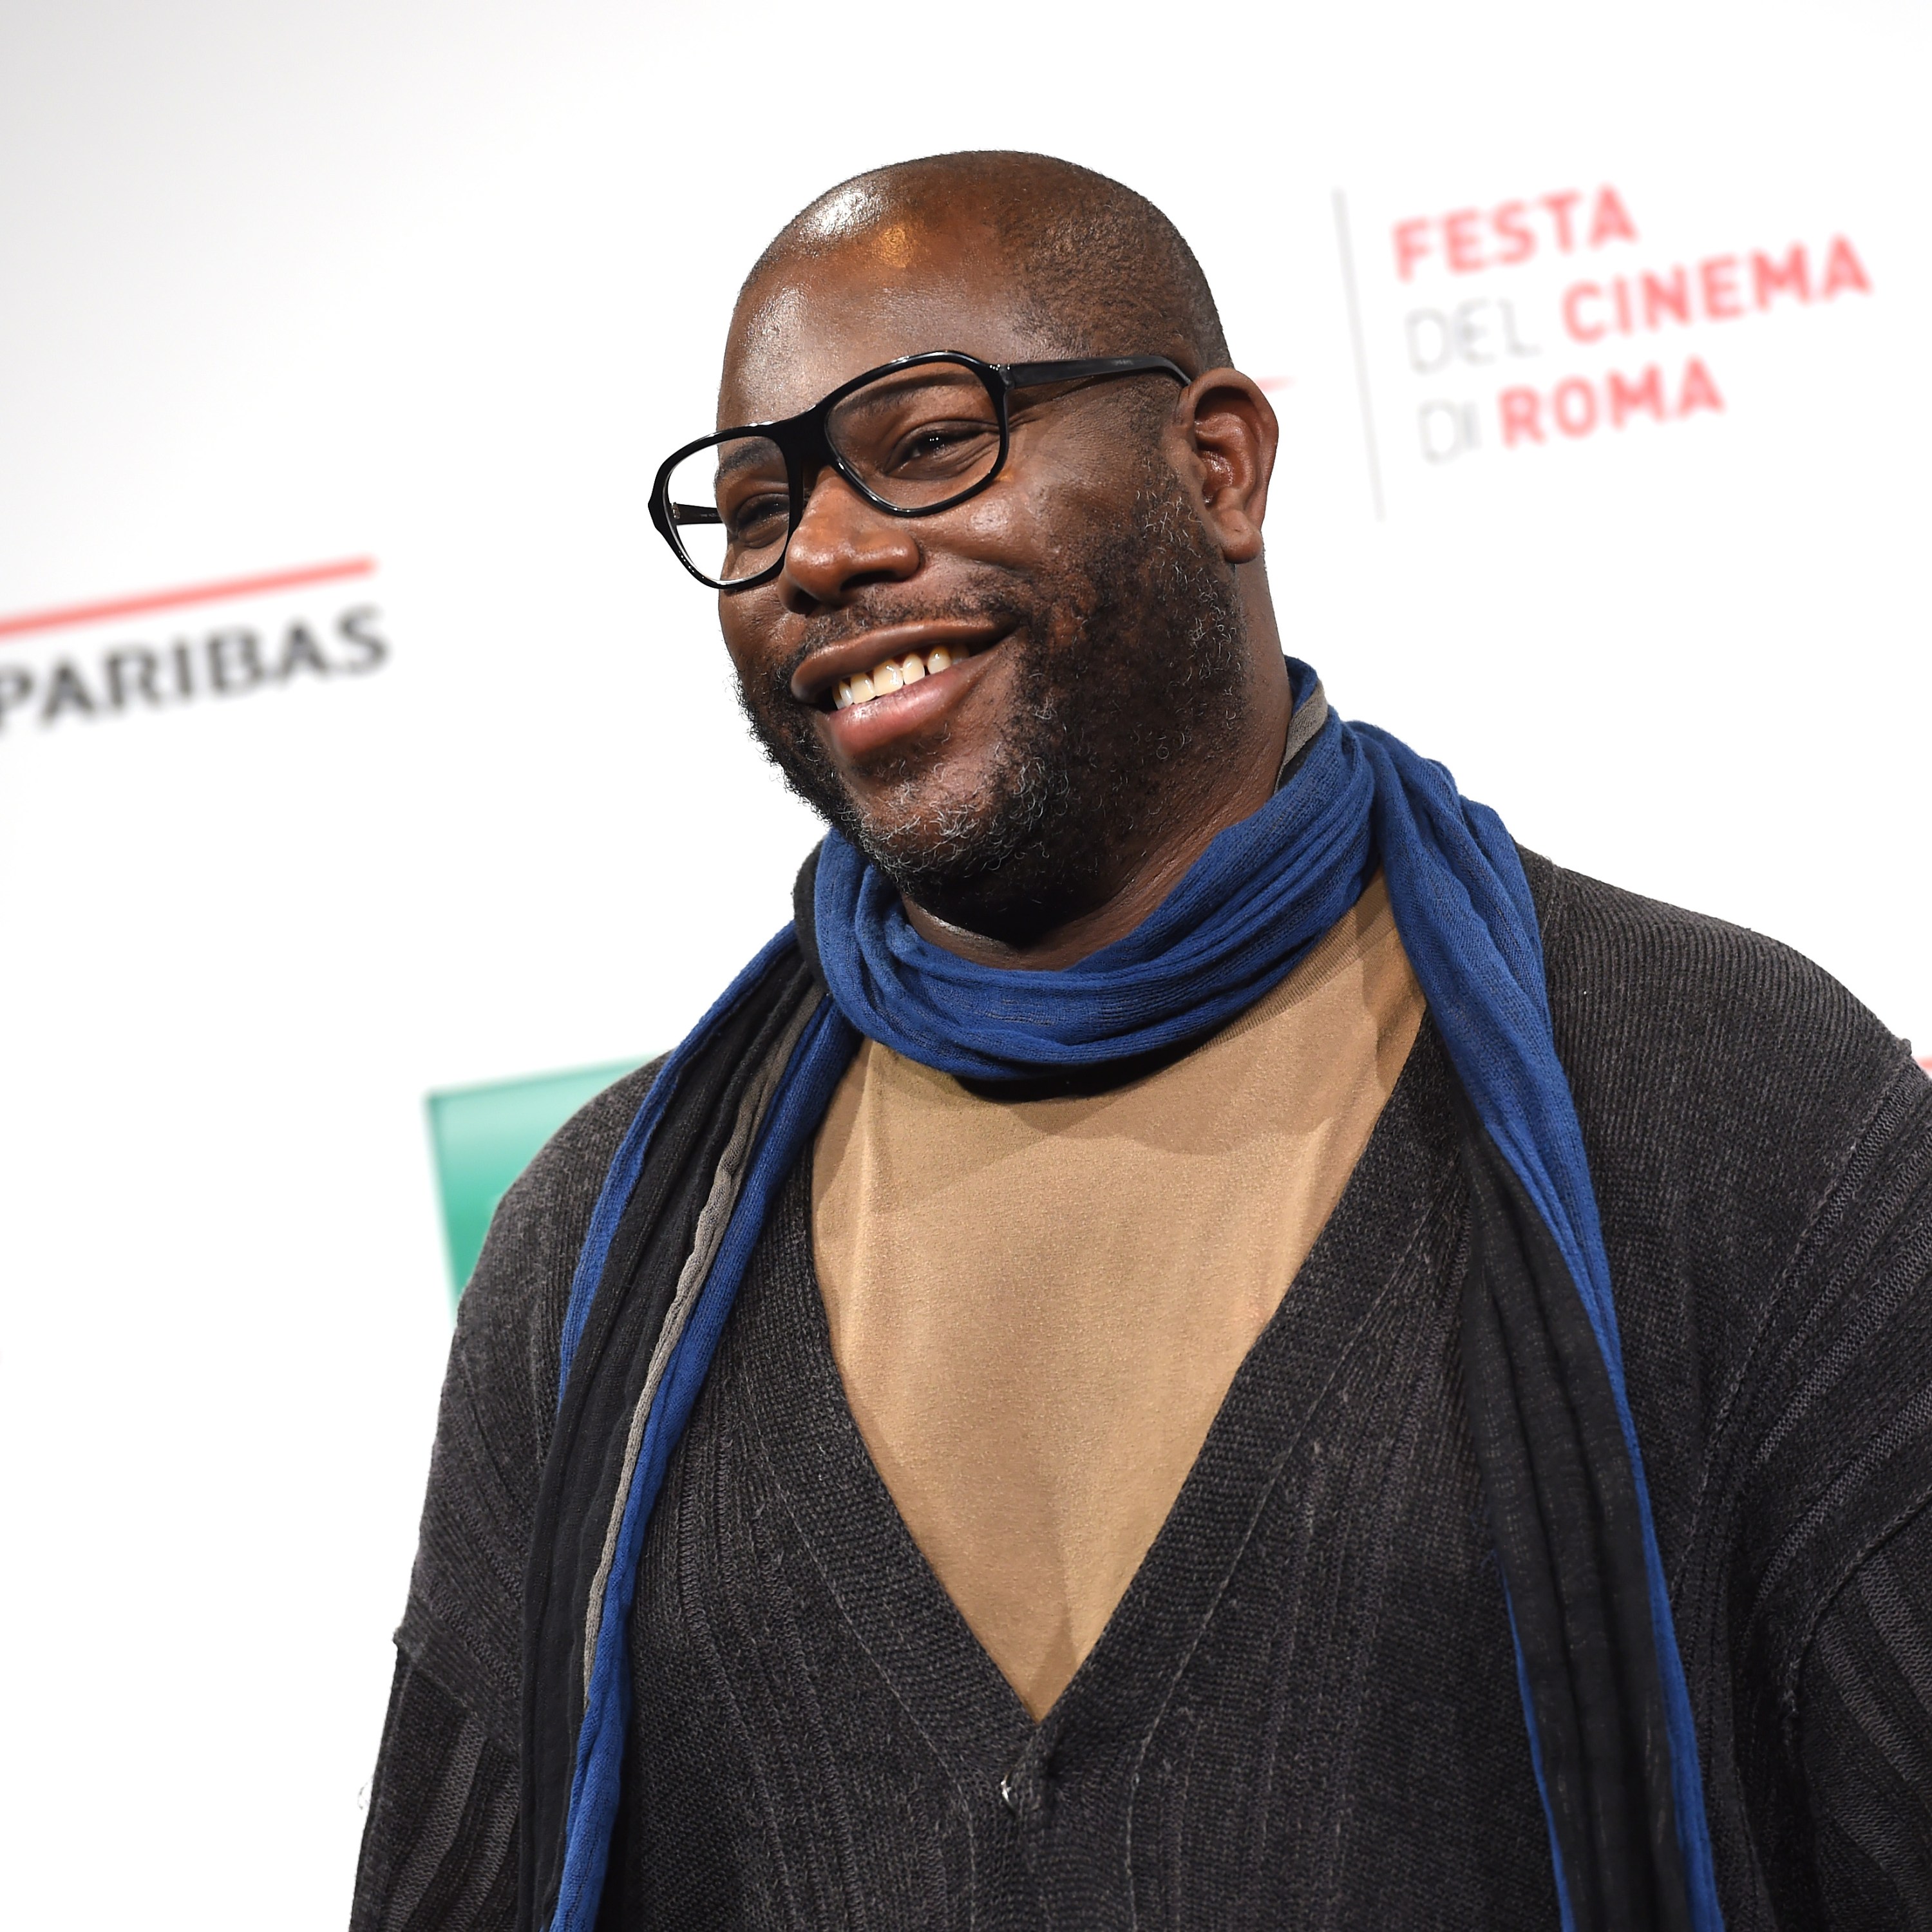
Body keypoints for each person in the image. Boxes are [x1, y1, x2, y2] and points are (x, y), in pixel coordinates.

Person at [351, 153, 1932, 1932]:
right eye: (753, 500)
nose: (829, 552)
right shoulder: (601, 1254)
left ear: (1222, 463)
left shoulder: (1728, 1089)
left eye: (930, 439)